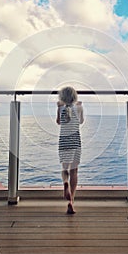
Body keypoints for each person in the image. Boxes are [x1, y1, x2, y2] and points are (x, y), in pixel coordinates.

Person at [56, 86, 84, 214]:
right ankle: (71, 201)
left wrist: (59, 107)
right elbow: (81, 121)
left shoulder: (60, 108)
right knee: (74, 171)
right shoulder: (78, 107)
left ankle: (65, 182)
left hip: (64, 141)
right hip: (75, 141)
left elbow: (59, 122)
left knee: (65, 168)